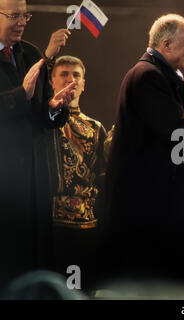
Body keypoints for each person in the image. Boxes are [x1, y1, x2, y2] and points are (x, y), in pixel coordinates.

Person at [104, 14, 184, 291]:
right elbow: (178, 130)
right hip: (150, 208)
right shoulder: (148, 76)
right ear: (168, 44)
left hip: (158, 202)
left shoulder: (156, 74)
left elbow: (162, 138)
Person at [0, 0, 77, 290]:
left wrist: (55, 107)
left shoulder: (32, 54)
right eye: (14, 16)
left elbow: (44, 115)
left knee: (33, 261)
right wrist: (22, 94)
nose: (21, 22)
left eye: (25, 15)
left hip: (33, 178)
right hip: (4, 182)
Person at [46, 55, 107, 292]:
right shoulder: (43, 121)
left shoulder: (95, 127)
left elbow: (103, 175)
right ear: (52, 81)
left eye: (76, 75)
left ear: (83, 84)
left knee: (81, 291)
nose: (70, 80)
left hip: (85, 225)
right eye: (63, 74)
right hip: (48, 223)